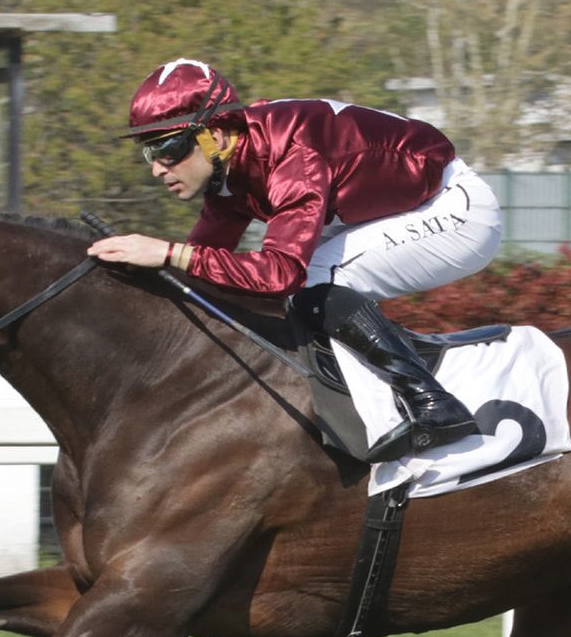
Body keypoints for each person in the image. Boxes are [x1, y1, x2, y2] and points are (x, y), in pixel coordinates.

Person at [87, 59, 504, 461]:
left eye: (169, 149)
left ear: (215, 134)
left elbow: (280, 275)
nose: (158, 169)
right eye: (149, 153)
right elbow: (201, 272)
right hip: (394, 206)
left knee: (311, 278)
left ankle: (432, 402)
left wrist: (167, 252)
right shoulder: (230, 174)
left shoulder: (291, 156)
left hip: (454, 209)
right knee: (281, 281)